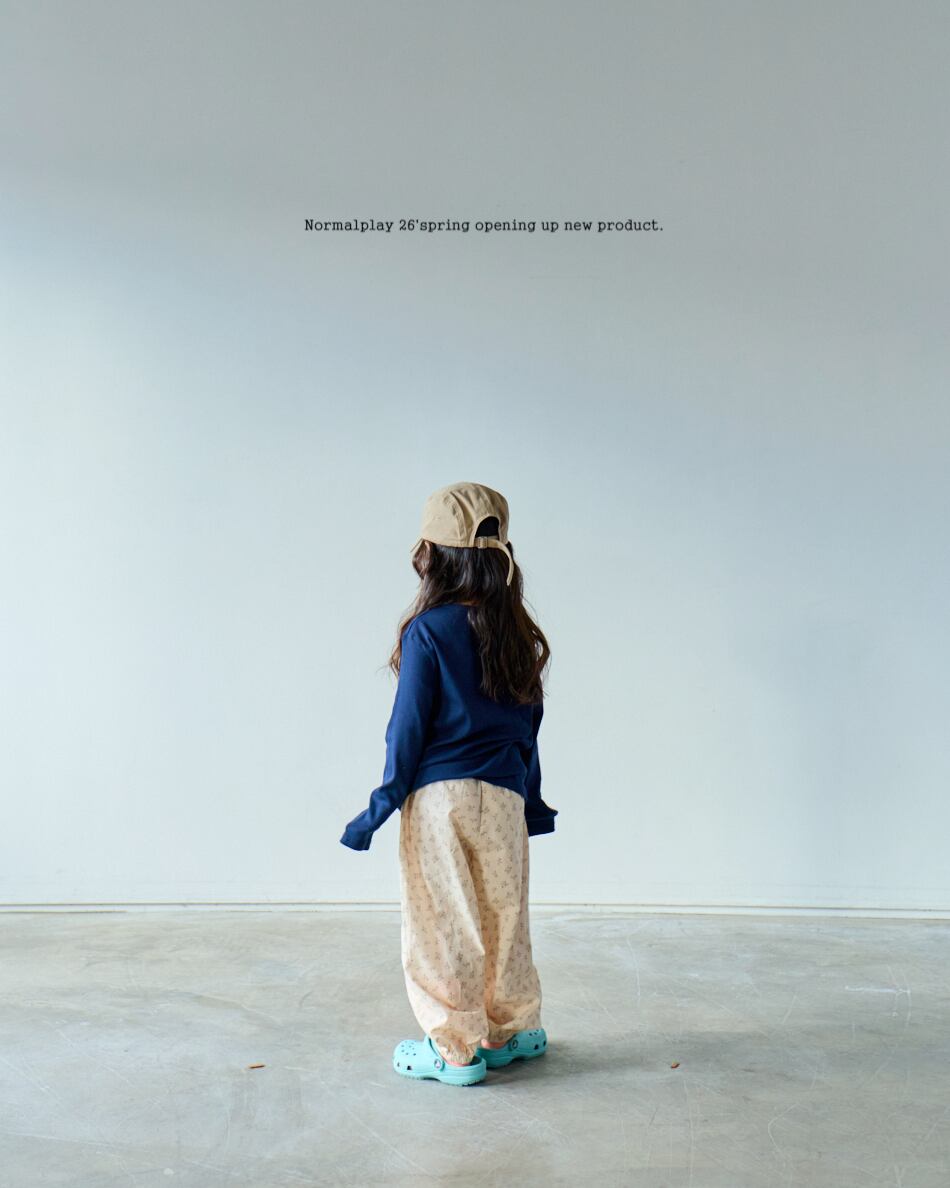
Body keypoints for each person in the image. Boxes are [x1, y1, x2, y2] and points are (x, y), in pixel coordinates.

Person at [340, 481, 559, 1086]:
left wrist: (380, 806)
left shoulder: (429, 631)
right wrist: (532, 804)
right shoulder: (517, 634)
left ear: (434, 555)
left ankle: (454, 1051)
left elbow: (406, 731)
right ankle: (513, 1031)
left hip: (440, 801)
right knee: (504, 915)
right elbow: (529, 729)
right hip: (504, 797)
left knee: (441, 922)